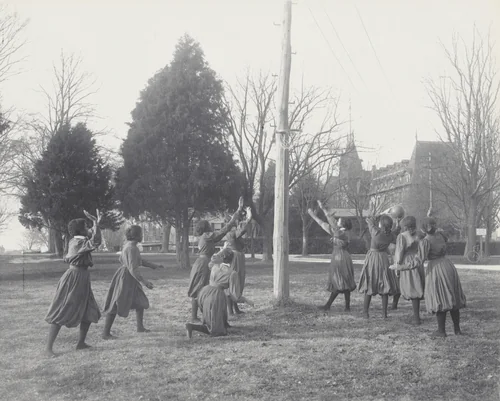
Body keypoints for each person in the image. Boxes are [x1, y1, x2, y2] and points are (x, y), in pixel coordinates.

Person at [45, 209, 102, 357]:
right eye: (87, 227)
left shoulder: (78, 241)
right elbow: (96, 241)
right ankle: (48, 349)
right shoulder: (78, 242)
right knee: (63, 309)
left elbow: (93, 241)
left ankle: (81, 343)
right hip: (74, 278)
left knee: (89, 309)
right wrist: (96, 223)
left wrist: (95, 225)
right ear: (81, 230)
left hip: (82, 277)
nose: (89, 229)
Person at [187, 196, 244, 322]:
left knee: (200, 288)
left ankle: (199, 315)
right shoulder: (207, 236)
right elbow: (222, 232)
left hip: (201, 263)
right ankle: (199, 316)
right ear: (207, 227)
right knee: (202, 288)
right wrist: (236, 213)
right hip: (204, 264)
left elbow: (219, 235)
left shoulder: (202, 238)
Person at [102, 225, 164, 339]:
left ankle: (140, 327)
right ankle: (105, 333)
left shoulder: (130, 246)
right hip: (127, 277)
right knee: (117, 303)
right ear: (136, 236)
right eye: (141, 234)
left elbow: (138, 261)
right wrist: (145, 282)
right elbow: (133, 268)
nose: (142, 236)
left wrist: (154, 266)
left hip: (130, 276)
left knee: (140, 301)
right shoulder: (132, 248)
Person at [185, 247, 254, 338]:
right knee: (216, 331)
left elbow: (213, 261)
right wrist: (246, 300)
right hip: (216, 296)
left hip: (204, 292)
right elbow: (234, 296)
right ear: (232, 260)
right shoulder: (232, 273)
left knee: (214, 313)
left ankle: (222, 323)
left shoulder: (214, 266)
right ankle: (192, 327)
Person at [417, 217, 466, 337]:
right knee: (452, 297)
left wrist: (401, 267)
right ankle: (457, 329)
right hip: (448, 265)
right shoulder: (441, 236)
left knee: (440, 298)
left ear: (423, 229)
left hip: (436, 268)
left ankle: (441, 331)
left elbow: (419, 260)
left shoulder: (425, 241)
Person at [307, 201, 356, 311]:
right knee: (345, 282)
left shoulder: (339, 232)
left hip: (339, 258)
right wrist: (314, 214)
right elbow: (322, 223)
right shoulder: (340, 232)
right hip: (344, 257)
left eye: (338, 220)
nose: (336, 221)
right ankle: (347, 307)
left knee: (338, 281)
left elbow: (329, 221)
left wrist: (322, 209)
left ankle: (328, 305)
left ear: (342, 224)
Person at [358, 214, 399, 318]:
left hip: (373, 258)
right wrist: (398, 222)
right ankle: (384, 314)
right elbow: (396, 232)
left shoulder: (375, 232)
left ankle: (365, 312)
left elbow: (368, 219)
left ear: (381, 224)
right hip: (384, 258)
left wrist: (376, 216)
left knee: (370, 283)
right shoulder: (391, 235)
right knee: (385, 284)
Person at [389, 216, 425, 325]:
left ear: (404, 226)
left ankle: (416, 318)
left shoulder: (402, 236)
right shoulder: (420, 234)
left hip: (407, 261)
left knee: (412, 287)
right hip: (417, 261)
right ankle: (416, 316)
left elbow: (399, 252)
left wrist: (397, 266)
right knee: (417, 286)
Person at [225, 207, 253, 315]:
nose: (237, 222)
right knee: (233, 283)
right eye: (235, 220)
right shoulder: (231, 233)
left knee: (239, 283)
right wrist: (249, 216)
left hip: (239, 257)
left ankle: (235, 308)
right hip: (235, 258)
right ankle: (230, 310)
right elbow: (243, 228)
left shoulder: (233, 232)